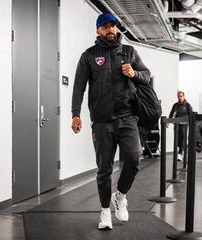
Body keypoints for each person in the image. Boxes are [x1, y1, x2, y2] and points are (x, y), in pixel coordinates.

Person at [71, 12, 151, 230]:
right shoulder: (89, 56)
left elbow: (147, 75)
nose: (110, 30)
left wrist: (134, 73)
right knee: (104, 169)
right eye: (105, 27)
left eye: (113, 26)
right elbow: (79, 86)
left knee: (134, 158)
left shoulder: (129, 52)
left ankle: (121, 196)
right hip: (101, 122)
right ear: (98, 30)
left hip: (127, 118)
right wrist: (75, 114)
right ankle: (105, 211)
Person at [168, 91, 192, 161]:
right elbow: (171, 113)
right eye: (178, 96)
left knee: (182, 139)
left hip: (184, 125)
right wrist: (168, 122)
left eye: (181, 96)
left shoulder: (187, 105)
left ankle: (180, 153)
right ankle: (181, 151)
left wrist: (191, 124)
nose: (180, 98)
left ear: (184, 96)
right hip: (176, 124)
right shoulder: (175, 105)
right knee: (177, 139)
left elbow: (191, 115)